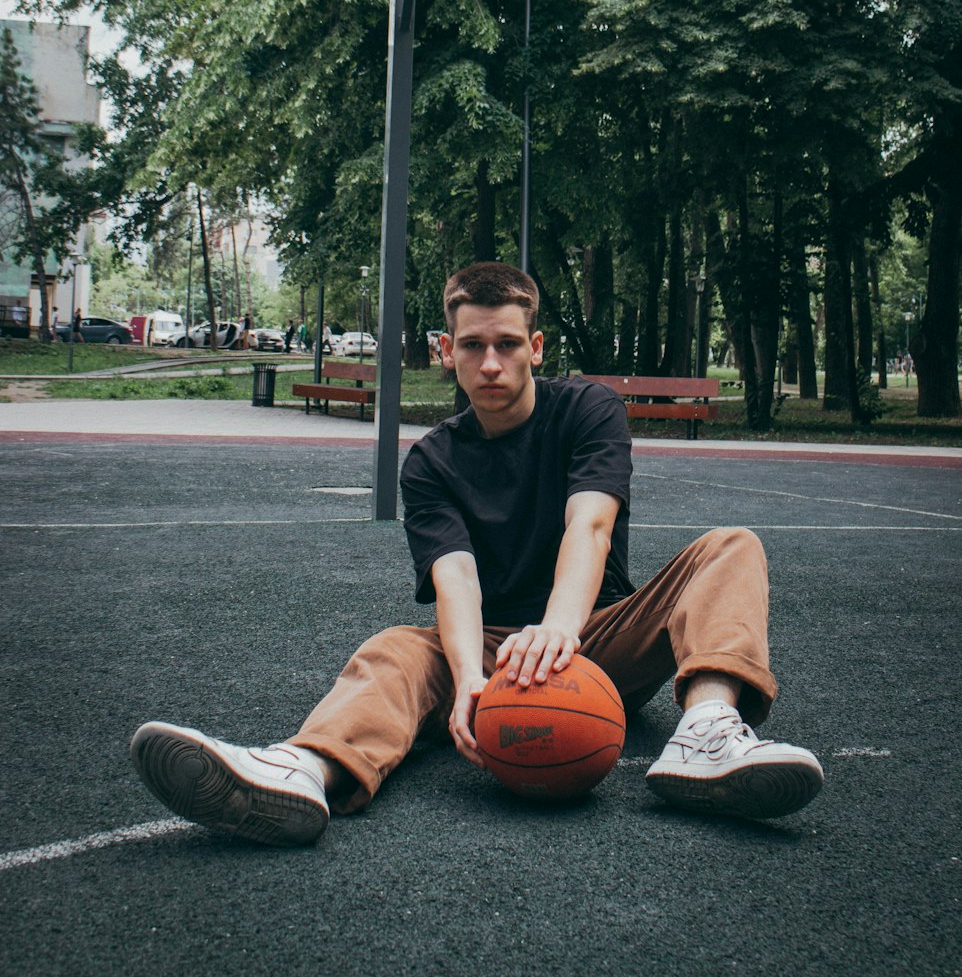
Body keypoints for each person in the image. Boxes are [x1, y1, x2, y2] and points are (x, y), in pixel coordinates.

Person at [130, 261, 823, 846]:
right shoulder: (430, 462)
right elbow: (454, 576)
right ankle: (303, 772)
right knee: (397, 649)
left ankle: (706, 734)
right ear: (446, 350)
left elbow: (590, 527)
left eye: (507, 344)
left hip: (597, 637)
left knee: (730, 547)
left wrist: (559, 630)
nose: (490, 363)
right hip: (493, 648)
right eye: (472, 346)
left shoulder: (587, 410)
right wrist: (467, 679)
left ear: (537, 346)